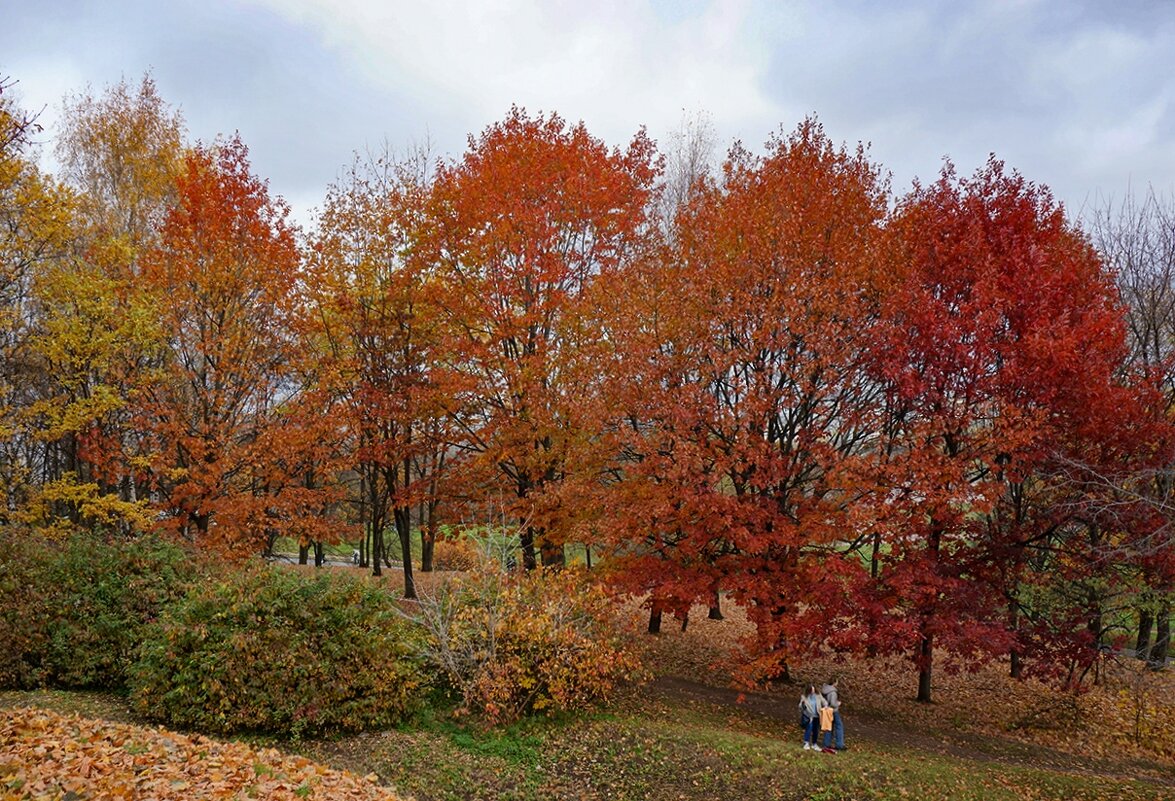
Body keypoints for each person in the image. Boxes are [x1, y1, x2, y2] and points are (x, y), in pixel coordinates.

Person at [798, 684, 827, 751]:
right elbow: (800, 706)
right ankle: (806, 743)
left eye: (814, 690)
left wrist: (825, 705)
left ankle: (814, 743)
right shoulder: (804, 697)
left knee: (816, 730)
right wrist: (803, 705)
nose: (813, 692)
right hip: (809, 715)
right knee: (809, 728)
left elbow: (824, 701)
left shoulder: (818, 695)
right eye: (811, 690)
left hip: (817, 715)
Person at [821, 677, 845, 751]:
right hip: (833, 711)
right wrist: (838, 703)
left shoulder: (824, 689)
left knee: (829, 727)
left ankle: (826, 743)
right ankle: (839, 744)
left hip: (826, 710)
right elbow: (833, 703)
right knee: (839, 726)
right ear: (834, 683)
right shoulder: (833, 692)